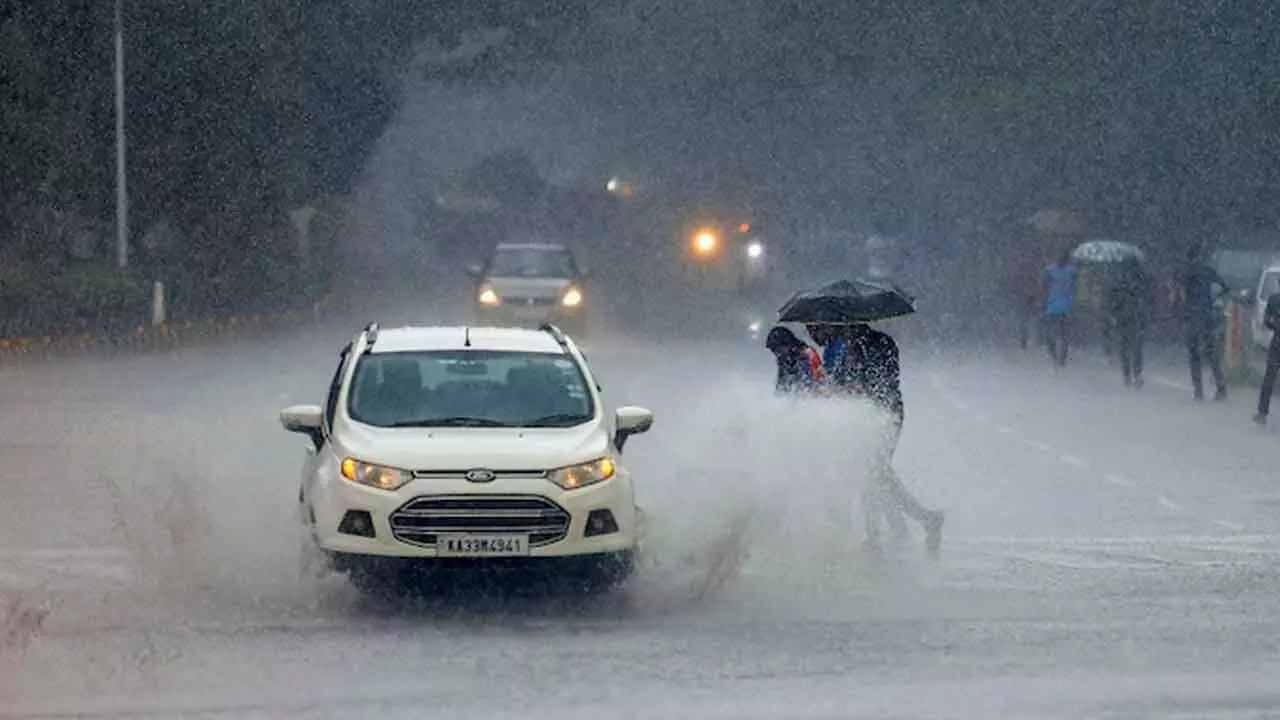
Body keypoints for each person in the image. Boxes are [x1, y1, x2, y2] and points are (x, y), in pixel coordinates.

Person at [825, 322, 945, 555]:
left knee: (874, 473)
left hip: (885, 415)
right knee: (875, 474)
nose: (843, 335)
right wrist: (839, 388)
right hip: (868, 416)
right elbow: (840, 380)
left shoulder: (878, 344)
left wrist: (860, 386)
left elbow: (886, 380)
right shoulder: (853, 348)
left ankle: (885, 532)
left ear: (855, 328)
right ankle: (919, 521)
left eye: (846, 331)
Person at [1180, 246, 1229, 401]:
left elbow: (1181, 294)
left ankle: (1198, 391)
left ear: (1188, 257)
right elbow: (1225, 287)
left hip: (1192, 316)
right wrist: (1212, 300)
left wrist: (1186, 306)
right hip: (1207, 316)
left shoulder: (1187, 273)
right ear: (1200, 255)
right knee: (1211, 353)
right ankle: (1221, 388)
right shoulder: (1207, 270)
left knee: (1194, 355)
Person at [1106, 256, 1151, 388]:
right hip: (1138, 317)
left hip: (1123, 318)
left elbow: (1113, 299)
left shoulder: (1119, 280)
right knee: (1137, 348)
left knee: (1124, 348)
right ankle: (1137, 374)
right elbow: (1147, 298)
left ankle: (1127, 375)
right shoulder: (1142, 279)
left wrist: (1113, 314)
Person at [1042, 250, 1078, 367]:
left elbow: (1044, 287)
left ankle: (1056, 356)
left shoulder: (1050, 271)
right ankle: (1060, 358)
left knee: (1052, 334)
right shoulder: (1071, 272)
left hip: (1054, 307)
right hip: (1063, 307)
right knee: (1062, 335)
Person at [765, 326, 824, 395]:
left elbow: (816, 381)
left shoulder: (807, 354)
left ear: (787, 344)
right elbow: (781, 388)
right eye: (773, 350)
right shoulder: (785, 360)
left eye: (777, 349)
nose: (776, 353)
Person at [1254, 291, 1280, 425]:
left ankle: (1262, 413)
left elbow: (1266, 321)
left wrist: (1276, 328)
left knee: (1269, 380)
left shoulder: (1274, 299)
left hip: (1277, 343)